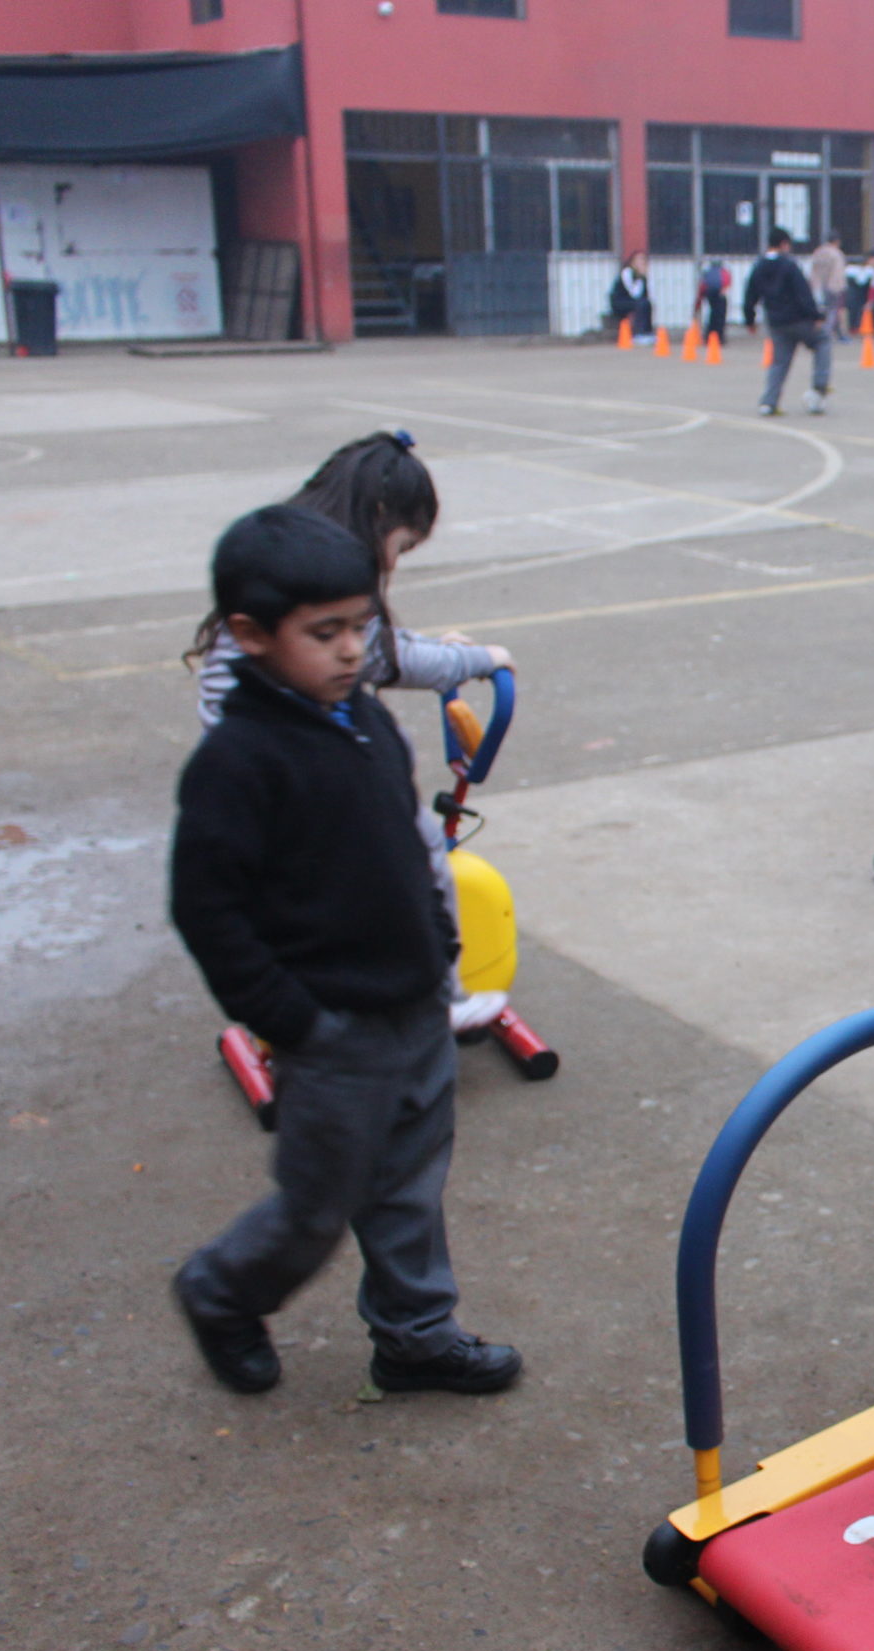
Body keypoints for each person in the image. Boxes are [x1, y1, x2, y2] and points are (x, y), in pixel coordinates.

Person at [170, 505, 524, 1401]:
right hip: (332, 1031)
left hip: (414, 1006)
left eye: (360, 628)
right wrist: (293, 1019)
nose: (347, 651)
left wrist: (440, 945)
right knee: (317, 1208)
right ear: (251, 635)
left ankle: (414, 1335)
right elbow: (206, 909)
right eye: (322, 633)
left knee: (410, 1186)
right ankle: (222, 1289)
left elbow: (405, 847)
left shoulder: (359, 717)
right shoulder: (238, 761)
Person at [188, 431, 514, 1037]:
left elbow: (383, 650)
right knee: (409, 861)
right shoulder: (321, 600)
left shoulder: (293, 565)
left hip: (297, 741)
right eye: (403, 546)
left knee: (399, 855)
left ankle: (413, 987)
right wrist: (482, 659)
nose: (395, 561)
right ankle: (431, 998)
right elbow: (390, 659)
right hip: (291, 762)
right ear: (379, 520)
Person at [745, 227, 831, 418]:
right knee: (822, 340)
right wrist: (816, 315)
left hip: (776, 322)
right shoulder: (789, 265)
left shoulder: (759, 266)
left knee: (779, 362)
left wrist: (749, 319)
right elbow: (803, 293)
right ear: (784, 244)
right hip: (798, 319)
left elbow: (750, 294)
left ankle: (768, 402)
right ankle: (819, 387)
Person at [810, 233, 849, 341]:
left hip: (819, 287)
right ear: (837, 242)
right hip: (833, 287)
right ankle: (826, 333)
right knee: (833, 310)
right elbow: (838, 273)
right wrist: (840, 287)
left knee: (823, 310)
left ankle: (839, 334)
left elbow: (813, 271)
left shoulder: (818, 252)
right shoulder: (836, 254)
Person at [608, 250, 653, 342]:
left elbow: (645, 295)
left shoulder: (642, 277)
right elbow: (634, 293)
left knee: (647, 303)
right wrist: (640, 278)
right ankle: (639, 333)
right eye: (639, 260)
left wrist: (643, 277)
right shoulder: (627, 273)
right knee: (641, 304)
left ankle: (647, 332)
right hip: (620, 301)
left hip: (634, 301)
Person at [694, 256, 732, 348]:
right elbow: (727, 282)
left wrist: (698, 303)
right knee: (721, 317)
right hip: (720, 295)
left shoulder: (707, 272)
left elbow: (702, 286)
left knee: (712, 315)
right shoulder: (724, 272)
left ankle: (709, 337)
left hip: (709, 294)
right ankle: (720, 338)